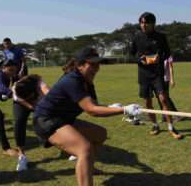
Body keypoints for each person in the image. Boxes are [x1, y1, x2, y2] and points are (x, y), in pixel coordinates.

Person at [33, 47, 141, 186]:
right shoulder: (72, 81)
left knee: (100, 134)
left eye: (98, 64)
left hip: (63, 119)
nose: (96, 68)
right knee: (84, 149)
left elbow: (93, 104)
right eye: (93, 64)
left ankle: (88, 167)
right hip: (46, 120)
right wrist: (124, 110)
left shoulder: (86, 81)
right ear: (80, 65)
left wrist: (113, 107)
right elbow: (92, 110)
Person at [130, 12, 183, 139]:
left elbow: (168, 53)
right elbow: (131, 54)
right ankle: (154, 125)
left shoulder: (161, 37)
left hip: (158, 74)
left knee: (164, 99)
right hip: (143, 74)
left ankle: (171, 127)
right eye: (141, 22)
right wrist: (140, 59)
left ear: (153, 24)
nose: (143, 25)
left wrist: (160, 58)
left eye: (146, 23)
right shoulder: (137, 37)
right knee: (148, 102)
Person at [12, 74, 49, 171]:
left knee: (50, 118)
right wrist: (30, 106)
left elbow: (49, 95)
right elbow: (18, 99)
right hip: (21, 103)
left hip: (39, 101)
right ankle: (22, 156)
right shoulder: (16, 87)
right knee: (19, 121)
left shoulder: (40, 84)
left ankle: (69, 147)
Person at [156, 55, 181, 122]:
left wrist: (172, 79)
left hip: (165, 79)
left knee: (166, 98)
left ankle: (177, 115)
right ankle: (164, 116)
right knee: (159, 98)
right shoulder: (156, 53)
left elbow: (170, 67)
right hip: (157, 79)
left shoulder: (168, 55)